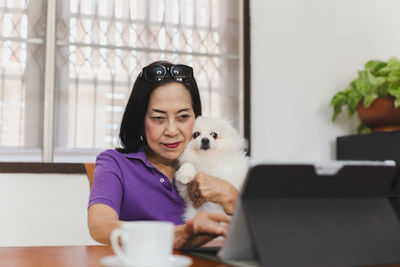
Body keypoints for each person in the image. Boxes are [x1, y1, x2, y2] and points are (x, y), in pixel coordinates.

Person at [88, 61, 239, 249]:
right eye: (158, 118)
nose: (172, 130)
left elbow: (261, 236)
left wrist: (233, 198)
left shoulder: (219, 162)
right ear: (140, 120)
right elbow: (100, 227)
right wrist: (175, 236)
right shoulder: (115, 163)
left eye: (183, 117)